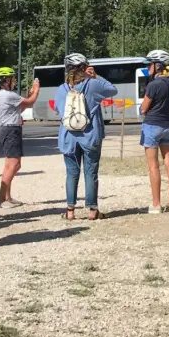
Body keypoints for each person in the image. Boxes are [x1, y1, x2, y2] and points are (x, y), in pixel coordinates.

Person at [55, 53, 116, 221]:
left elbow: (59, 112)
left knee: (71, 173)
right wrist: (96, 76)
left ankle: (70, 212)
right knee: (91, 173)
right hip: (91, 137)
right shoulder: (94, 85)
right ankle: (92, 210)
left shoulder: (62, 89)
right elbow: (112, 89)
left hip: (68, 138)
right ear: (84, 68)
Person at [0, 67, 39, 208]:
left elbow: (21, 108)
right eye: (12, 78)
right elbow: (30, 102)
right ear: (5, 81)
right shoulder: (7, 95)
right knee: (14, 165)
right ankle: (1, 199)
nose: (15, 80)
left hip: (8, 129)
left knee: (9, 165)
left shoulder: (3, 95)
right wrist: (36, 89)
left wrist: (30, 95)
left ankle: (7, 196)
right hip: (11, 130)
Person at [140, 49, 169, 214]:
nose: (148, 67)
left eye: (150, 64)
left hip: (152, 126)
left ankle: (156, 204)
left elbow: (143, 109)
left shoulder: (153, 85)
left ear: (157, 66)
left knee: (153, 167)